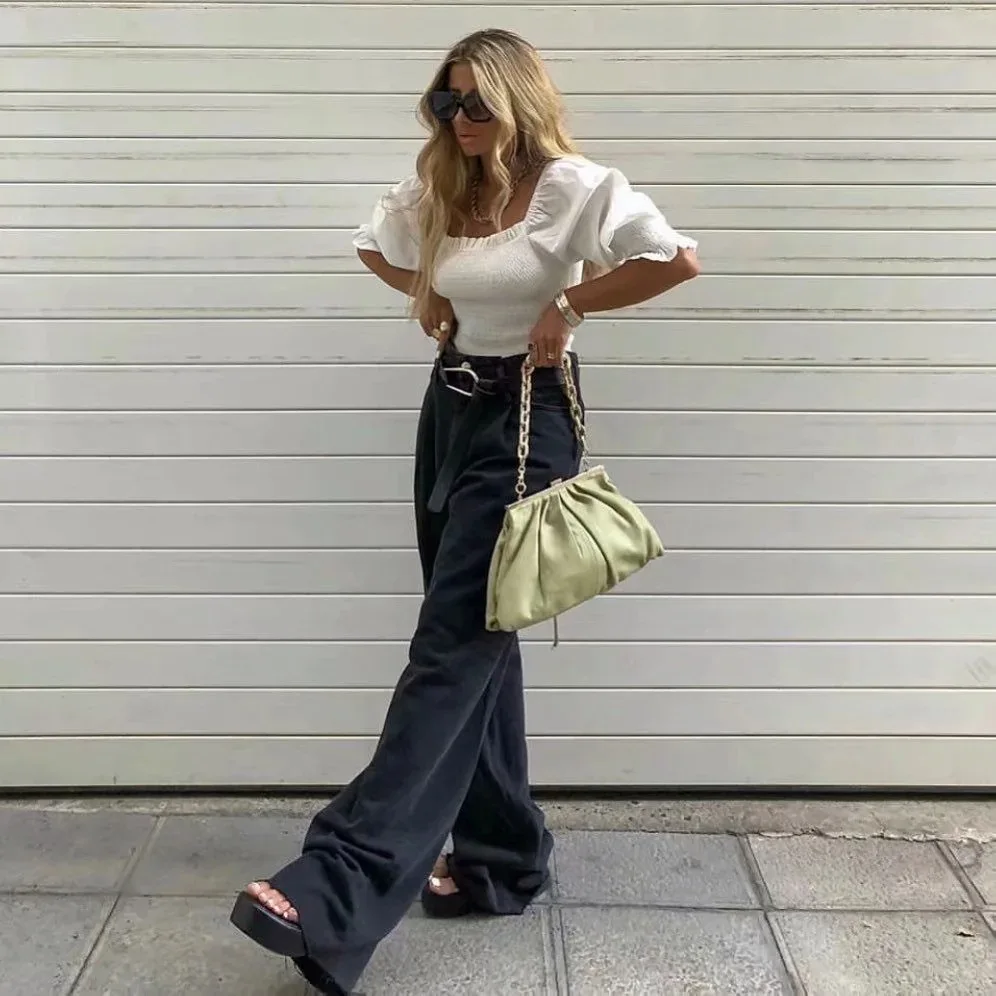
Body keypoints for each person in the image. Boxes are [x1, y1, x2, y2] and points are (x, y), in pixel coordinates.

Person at [229, 27, 699, 995]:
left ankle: (337, 882)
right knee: (482, 641)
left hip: (529, 424)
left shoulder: (571, 188)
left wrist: (571, 307)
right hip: (449, 413)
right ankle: (500, 860)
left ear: (519, 101)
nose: (459, 120)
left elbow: (674, 259)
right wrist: (425, 294)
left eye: (477, 103)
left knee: (450, 645)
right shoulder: (443, 184)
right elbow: (374, 243)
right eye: (447, 103)